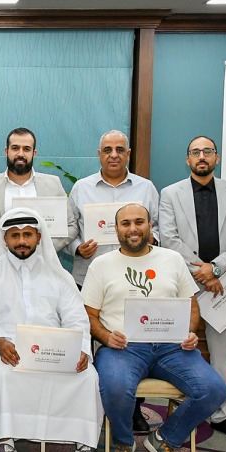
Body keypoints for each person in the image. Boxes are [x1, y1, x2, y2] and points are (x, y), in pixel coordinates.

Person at [82, 204, 226, 452]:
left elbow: (191, 305)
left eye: (139, 222)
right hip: (123, 348)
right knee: (114, 386)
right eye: (126, 224)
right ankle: (124, 441)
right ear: (116, 230)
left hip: (172, 347)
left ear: (150, 226)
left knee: (214, 389)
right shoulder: (101, 265)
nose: (133, 229)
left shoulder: (171, 259)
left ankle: (165, 438)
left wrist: (190, 332)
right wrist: (105, 336)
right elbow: (88, 314)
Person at [0, 208, 106, 452]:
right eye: (15, 235)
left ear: (38, 237)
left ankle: (83, 445)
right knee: (2, 374)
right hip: (5, 346)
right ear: (5, 239)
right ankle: (7, 445)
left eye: (27, 234)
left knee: (87, 376)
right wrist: (0, 341)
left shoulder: (59, 275)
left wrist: (82, 349)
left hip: (53, 345)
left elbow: (76, 318)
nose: (21, 241)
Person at [159, 135, 226, 440]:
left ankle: (221, 414)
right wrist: (202, 272)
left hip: (223, 284)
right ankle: (179, 412)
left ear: (217, 158)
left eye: (207, 152)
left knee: (222, 353)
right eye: (195, 152)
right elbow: (169, 240)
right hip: (184, 283)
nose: (202, 156)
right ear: (187, 160)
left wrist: (216, 268)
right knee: (178, 349)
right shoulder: (170, 193)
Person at [67, 129, 160, 435]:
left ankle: (132, 409)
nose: (114, 155)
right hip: (90, 278)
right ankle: (90, 409)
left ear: (129, 153)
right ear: (99, 154)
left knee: (133, 341)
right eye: (107, 149)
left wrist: (149, 239)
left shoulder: (146, 188)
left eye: (120, 149)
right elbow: (69, 230)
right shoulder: (81, 188)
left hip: (135, 282)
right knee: (89, 342)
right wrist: (77, 248)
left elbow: (157, 229)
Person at [0, 128, 77, 266]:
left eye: (26, 149)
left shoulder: (53, 184)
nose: (20, 154)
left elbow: (71, 226)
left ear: (34, 153)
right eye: (15, 148)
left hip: (41, 267)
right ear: (6, 151)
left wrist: (42, 247)